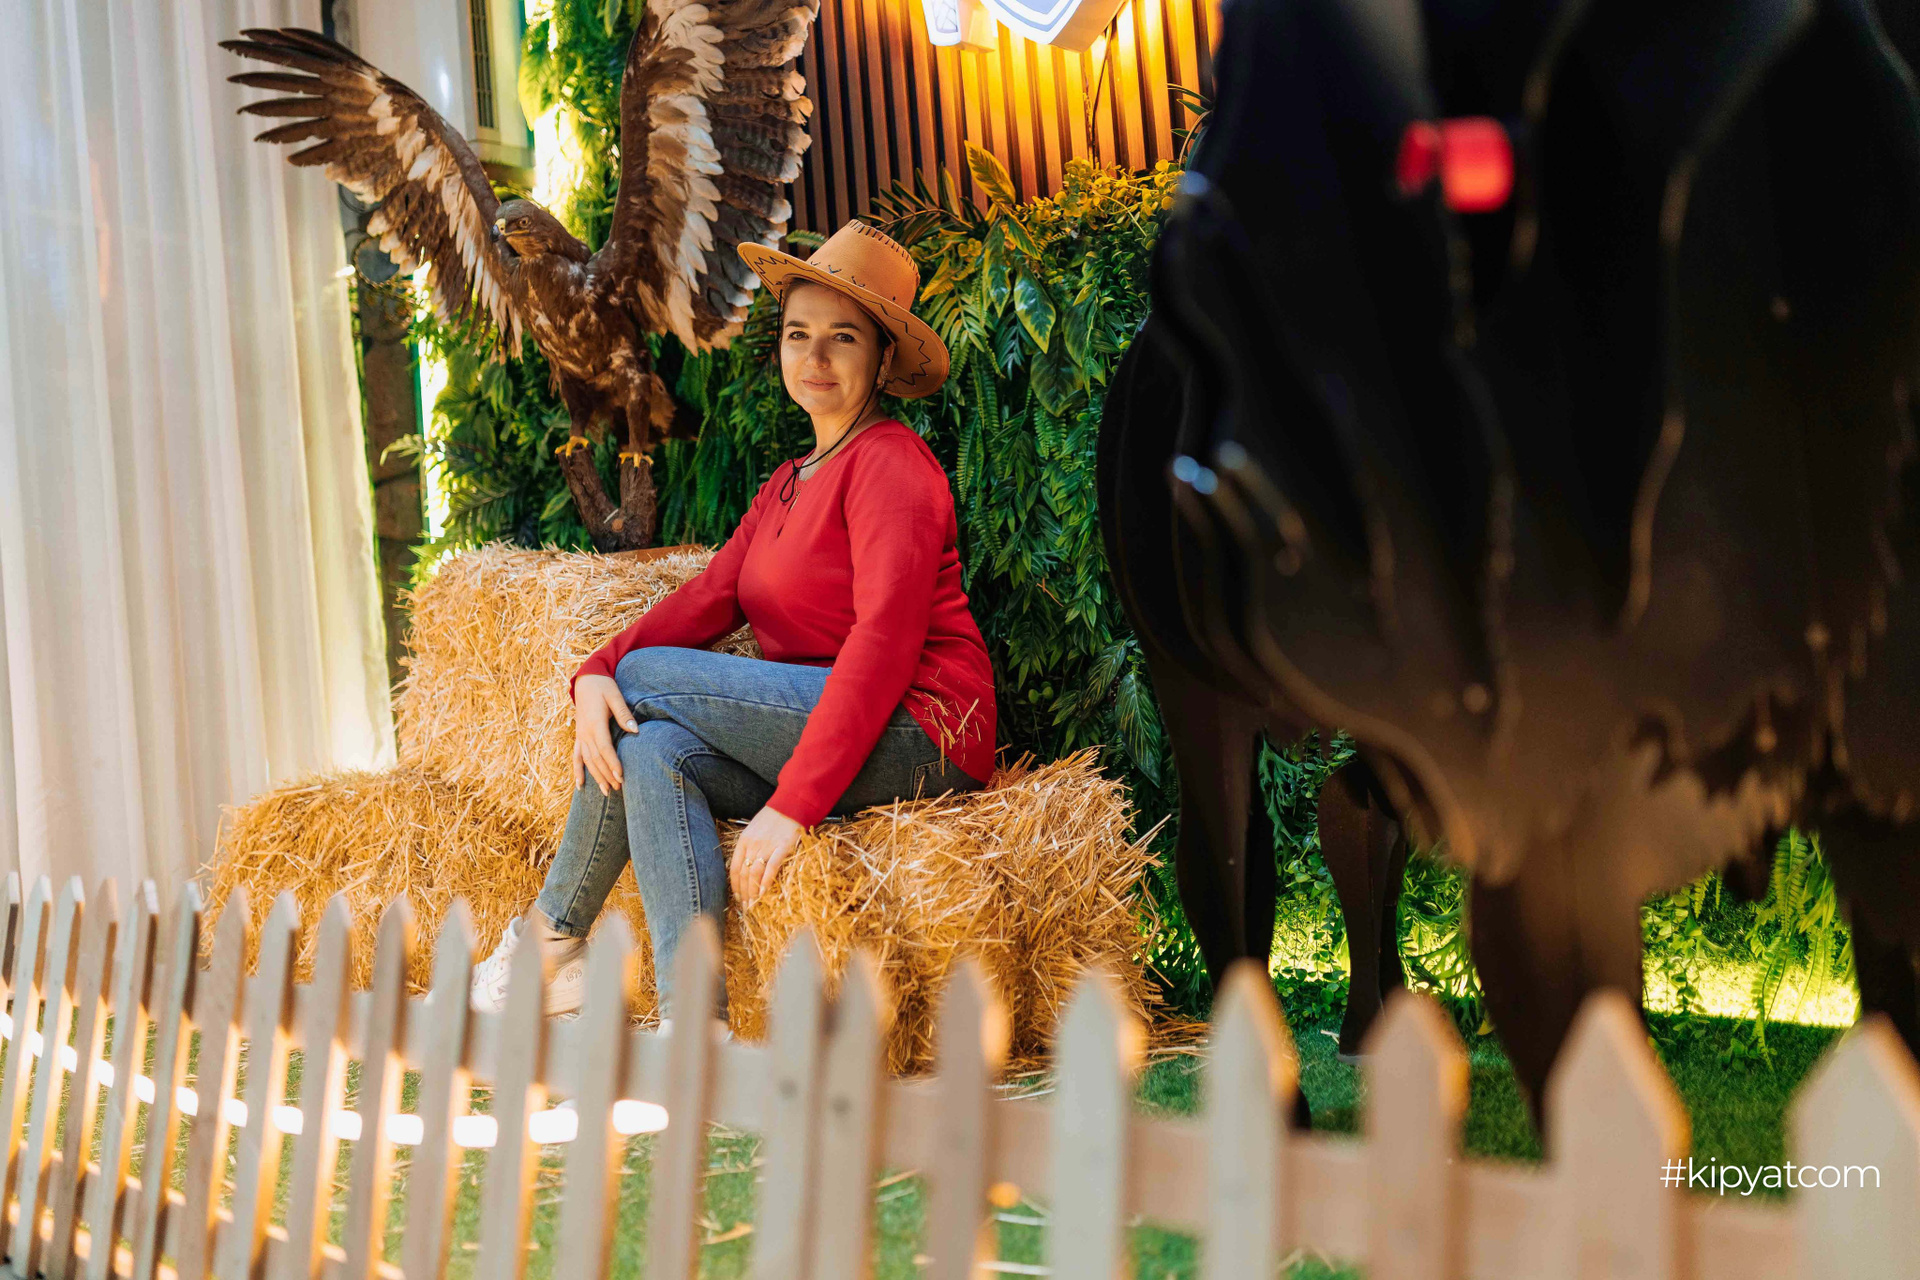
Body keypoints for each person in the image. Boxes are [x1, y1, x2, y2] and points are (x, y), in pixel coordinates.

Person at [469, 220, 997, 1023]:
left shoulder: (890, 464)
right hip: (829, 721)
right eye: (799, 334)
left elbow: (884, 648)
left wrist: (792, 807)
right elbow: (710, 596)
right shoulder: (789, 481)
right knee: (652, 751)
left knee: (641, 681)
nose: (815, 357)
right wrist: (593, 672)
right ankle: (694, 1024)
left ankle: (548, 938)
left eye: (844, 338)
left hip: (922, 726)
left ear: (884, 360)